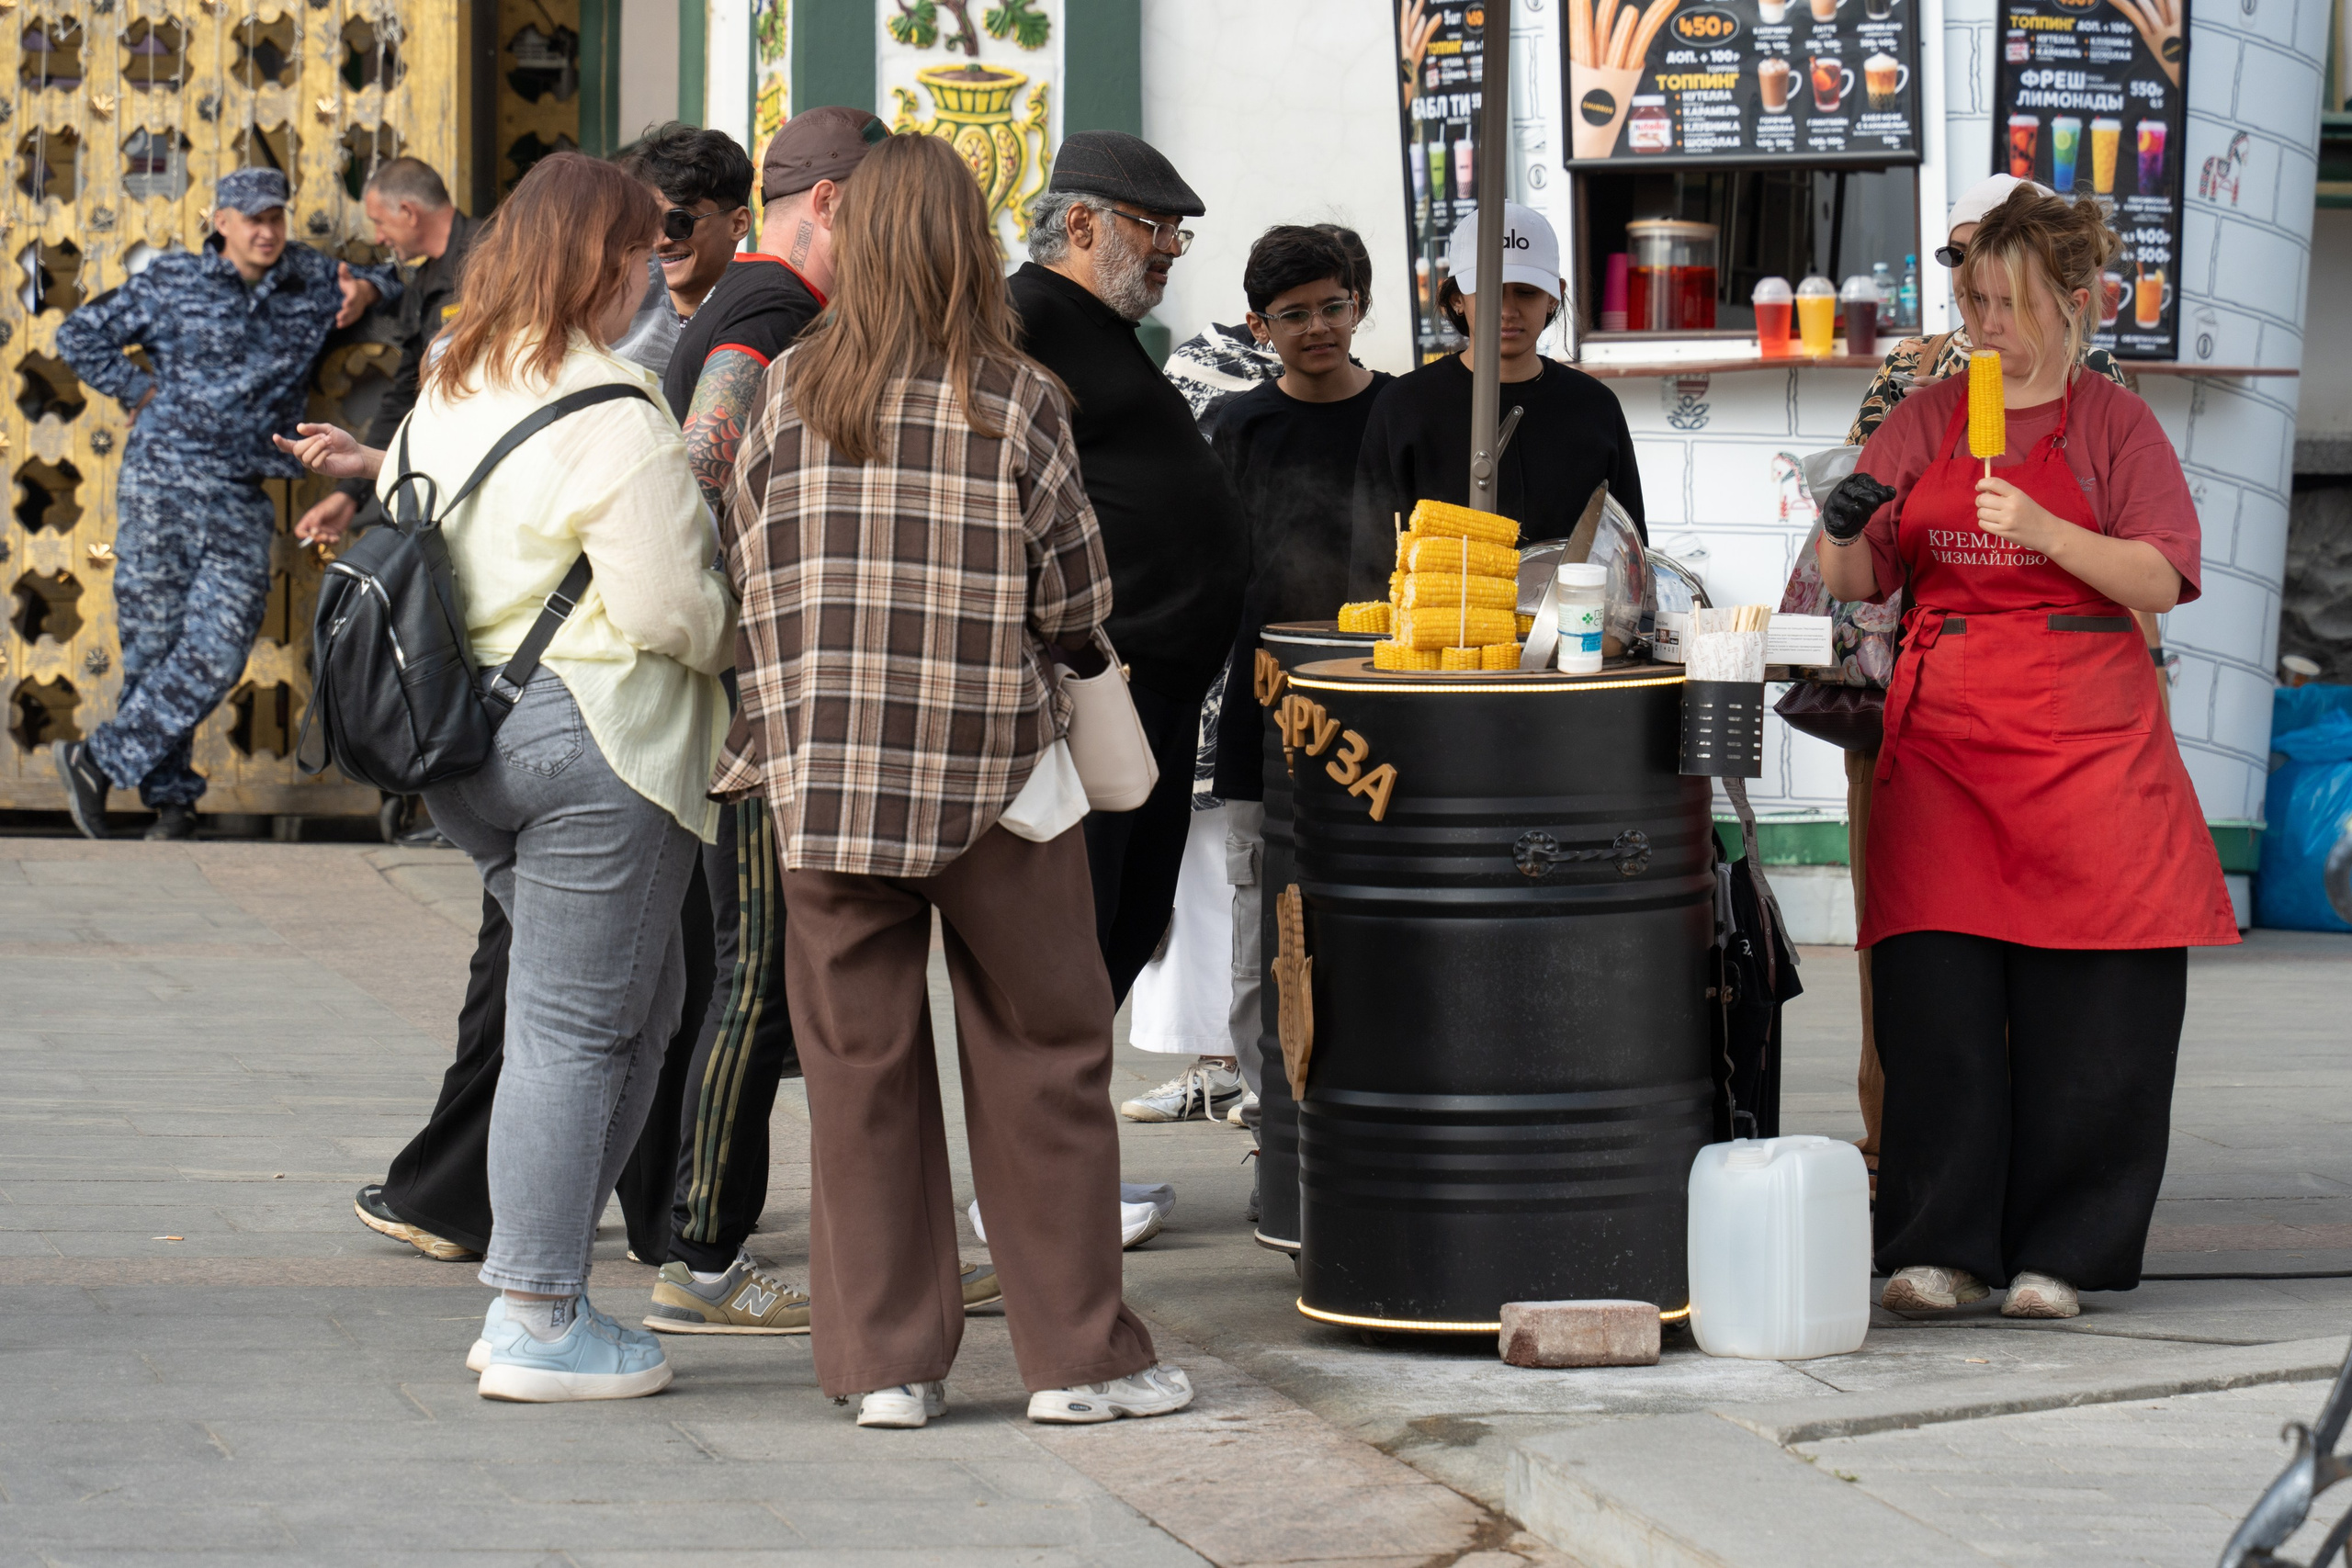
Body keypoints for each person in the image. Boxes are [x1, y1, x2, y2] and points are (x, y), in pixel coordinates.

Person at [724, 130, 1192, 1428]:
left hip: (822, 785)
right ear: (968, 242)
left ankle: (885, 1364)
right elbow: (1078, 594)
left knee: (859, 1075)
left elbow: (745, 576)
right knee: (1047, 1050)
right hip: (993, 780)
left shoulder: (790, 389)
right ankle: (1078, 1362)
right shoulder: (1018, 395)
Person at [1813, 188, 2238, 1322]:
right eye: (1968, 301)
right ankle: (1936, 1246)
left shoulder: (2114, 425)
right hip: (1947, 737)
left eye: (2004, 303)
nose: (1982, 323)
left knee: (2092, 1009)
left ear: (2069, 301)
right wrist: (1846, 523)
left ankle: (2066, 1253)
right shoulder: (1931, 416)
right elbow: (1859, 581)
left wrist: (2048, 532)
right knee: (1937, 1003)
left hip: (2090, 741)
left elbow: (2162, 577)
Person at [399, 150, 734, 1400]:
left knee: (631, 1015)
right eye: (640, 246)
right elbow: (662, 608)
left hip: (465, 737)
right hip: (596, 737)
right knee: (580, 1028)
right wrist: (738, 631)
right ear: (597, 259)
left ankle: (542, 1293)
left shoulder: (448, 381)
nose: (655, 264)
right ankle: (536, 1311)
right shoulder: (616, 407)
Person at [1806, 173, 2138, 1182]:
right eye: (1957, 265)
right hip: (1909, 678)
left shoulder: (2097, 388)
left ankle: (2022, 1157)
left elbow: (2132, 553)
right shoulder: (1909, 378)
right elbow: (1858, 528)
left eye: (1992, 267)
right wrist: (1853, 514)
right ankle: (1890, 1142)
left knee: (2035, 937)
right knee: (1908, 930)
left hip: (2049, 693)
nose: (1976, 291)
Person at [1123, 225, 1391, 1129]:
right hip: (1258, 718)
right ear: (1258, 325)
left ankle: (1364, 1124)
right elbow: (1206, 575)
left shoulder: (1405, 416)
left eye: (1332, 307)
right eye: (1293, 315)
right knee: (1259, 935)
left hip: (1385, 709)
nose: (1317, 327)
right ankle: (1273, 1140)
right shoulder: (1235, 427)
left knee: (1377, 923)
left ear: (1359, 305)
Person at [50, 167, 398, 841]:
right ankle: (172, 801)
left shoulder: (310, 278)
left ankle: (97, 759)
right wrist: (137, 391)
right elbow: (80, 335)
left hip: (240, 491)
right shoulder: (173, 281)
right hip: (161, 485)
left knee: (219, 645)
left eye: (275, 217)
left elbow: (397, 276)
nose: (266, 231)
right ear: (222, 223)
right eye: (252, 219)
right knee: (152, 646)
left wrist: (368, 286)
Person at [1011, 131, 1248, 1006]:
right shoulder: (1021, 319)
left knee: (1132, 917)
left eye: (1176, 234)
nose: (1169, 253)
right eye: (1155, 229)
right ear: (1080, 222)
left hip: (1159, 687)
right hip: (1103, 687)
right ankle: (1053, 1126)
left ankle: (1065, 1121)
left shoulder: (1102, 329)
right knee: (1085, 929)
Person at [1348, 201, 1644, 599]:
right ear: (1456, 298)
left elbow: (1631, 550)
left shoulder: (1595, 406)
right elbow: (1372, 559)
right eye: (1487, 291)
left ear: (1555, 296)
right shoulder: (1404, 405)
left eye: (1526, 292)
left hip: (1574, 641)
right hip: (1438, 651)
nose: (1507, 311)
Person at [292, 158, 481, 548]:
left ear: (409, 212)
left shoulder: (497, 256)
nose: (378, 238)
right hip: (444, 474)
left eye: (380, 223)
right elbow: (404, 396)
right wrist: (350, 495)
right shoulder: (421, 284)